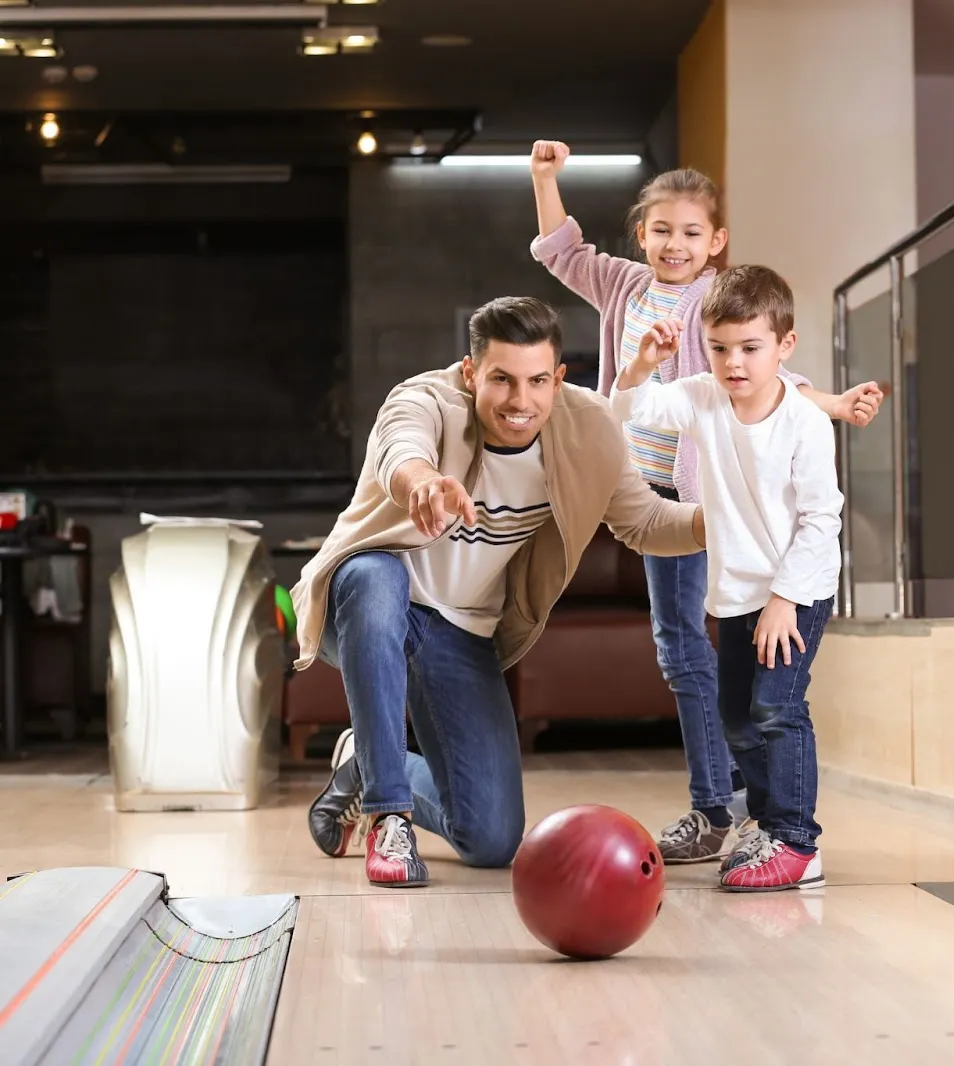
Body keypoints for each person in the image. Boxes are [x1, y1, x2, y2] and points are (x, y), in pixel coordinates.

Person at [528, 140, 880, 866]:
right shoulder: (624, 287)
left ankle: (728, 809)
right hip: (640, 488)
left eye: (691, 232)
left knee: (711, 661)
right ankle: (735, 806)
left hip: (701, 497)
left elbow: (763, 372)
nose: (674, 245)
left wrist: (832, 402)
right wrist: (544, 178)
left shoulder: (719, 304)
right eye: (661, 231)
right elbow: (563, 254)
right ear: (641, 236)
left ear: (715, 241)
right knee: (686, 652)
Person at [291, 296, 706, 889]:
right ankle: (389, 815)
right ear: (470, 372)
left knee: (490, 837)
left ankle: (370, 761)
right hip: (366, 604)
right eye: (502, 380)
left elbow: (642, 522)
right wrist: (425, 483)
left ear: (558, 378)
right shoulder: (425, 398)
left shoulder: (590, 429)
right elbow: (398, 449)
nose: (520, 401)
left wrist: (712, 523)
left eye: (538, 381)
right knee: (374, 574)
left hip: (459, 632)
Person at [610, 265, 840, 892]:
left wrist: (786, 600)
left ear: (784, 346)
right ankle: (766, 824)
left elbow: (822, 522)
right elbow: (630, 412)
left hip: (797, 592)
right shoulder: (703, 398)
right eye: (718, 348)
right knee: (735, 716)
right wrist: (640, 364)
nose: (733, 363)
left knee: (776, 706)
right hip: (736, 593)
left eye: (750, 348)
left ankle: (797, 842)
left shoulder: (806, 424)